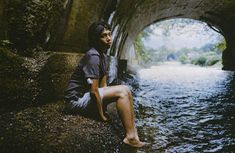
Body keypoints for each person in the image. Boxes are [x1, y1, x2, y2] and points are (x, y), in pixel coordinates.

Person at [64, 21, 145, 148]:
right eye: (103, 36)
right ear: (96, 39)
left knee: (127, 89)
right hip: (75, 101)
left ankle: (134, 133)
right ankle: (130, 138)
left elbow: (104, 86)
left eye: (109, 34)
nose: (108, 38)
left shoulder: (102, 56)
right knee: (123, 91)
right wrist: (101, 114)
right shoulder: (93, 56)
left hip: (86, 96)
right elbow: (95, 90)